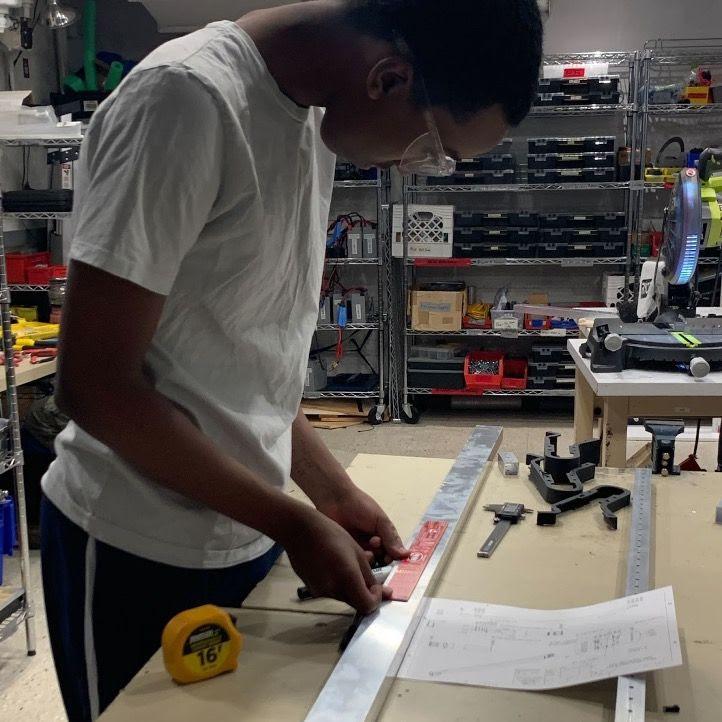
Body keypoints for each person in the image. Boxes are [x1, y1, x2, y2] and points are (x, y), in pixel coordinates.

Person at [39, 0, 543, 719]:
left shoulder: (309, 114)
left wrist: (325, 493)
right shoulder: (183, 102)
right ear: (388, 79)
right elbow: (94, 386)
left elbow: (242, 351)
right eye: (434, 150)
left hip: (246, 523)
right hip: (134, 544)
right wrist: (294, 522)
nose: (418, 169)